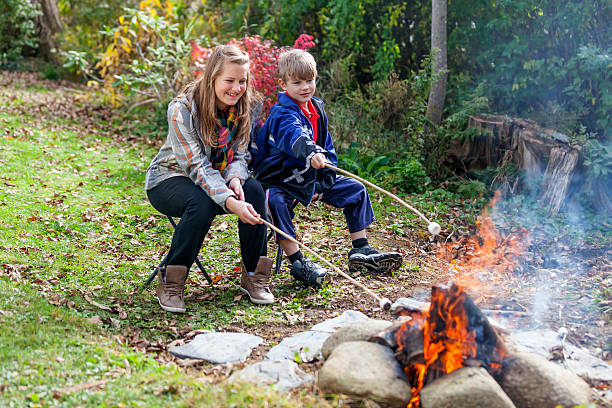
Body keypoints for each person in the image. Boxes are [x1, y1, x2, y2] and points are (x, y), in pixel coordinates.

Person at [252, 49, 402, 289]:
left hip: (309, 180)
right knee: (274, 202)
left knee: (356, 190)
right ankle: (298, 262)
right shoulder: (282, 114)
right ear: (283, 84)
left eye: (309, 80)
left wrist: (322, 181)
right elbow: (295, 136)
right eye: (297, 82)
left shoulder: (317, 109)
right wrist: (311, 152)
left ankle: (360, 249)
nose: (305, 87)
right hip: (280, 180)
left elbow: (328, 150)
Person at [145, 45, 274, 313]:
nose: (237, 88)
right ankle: (171, 281)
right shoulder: (182, 109)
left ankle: (254, 275)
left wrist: (236, 180)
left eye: (242, 81)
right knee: (202, 203)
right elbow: (196, 166)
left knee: (255, 191)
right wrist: (229, 201)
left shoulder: (242, 107)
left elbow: (239, 156)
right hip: (169, 178)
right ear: (212, 77)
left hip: (217, 178)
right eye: (229, 80)